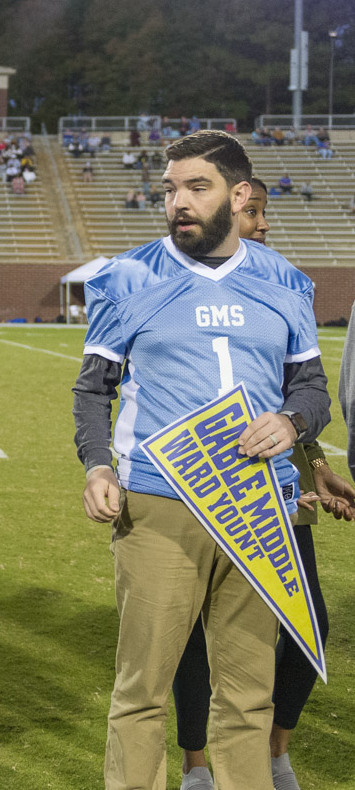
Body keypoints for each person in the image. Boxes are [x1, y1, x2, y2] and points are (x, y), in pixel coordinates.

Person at [74, 131, 331, 790]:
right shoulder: (126, 276)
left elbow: (311, 388)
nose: (178, 202)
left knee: (248, 697)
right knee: (143, 689)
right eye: (170, 190)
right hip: (160, 502)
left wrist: (292, 419)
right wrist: (99, 466)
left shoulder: (287, 282)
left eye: (197, 188)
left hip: (259, 505)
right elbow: (93, 388)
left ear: (238, 194)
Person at [171, 177, 355, 790]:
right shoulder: (180, 282)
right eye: (256, 214)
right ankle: (197, 766)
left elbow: (298, 391)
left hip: (282, 480)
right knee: (198, 634)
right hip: (201, 480)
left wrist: (317, 465)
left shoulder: (281, 285)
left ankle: (275, 753)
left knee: (308, 626)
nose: (266, 225)